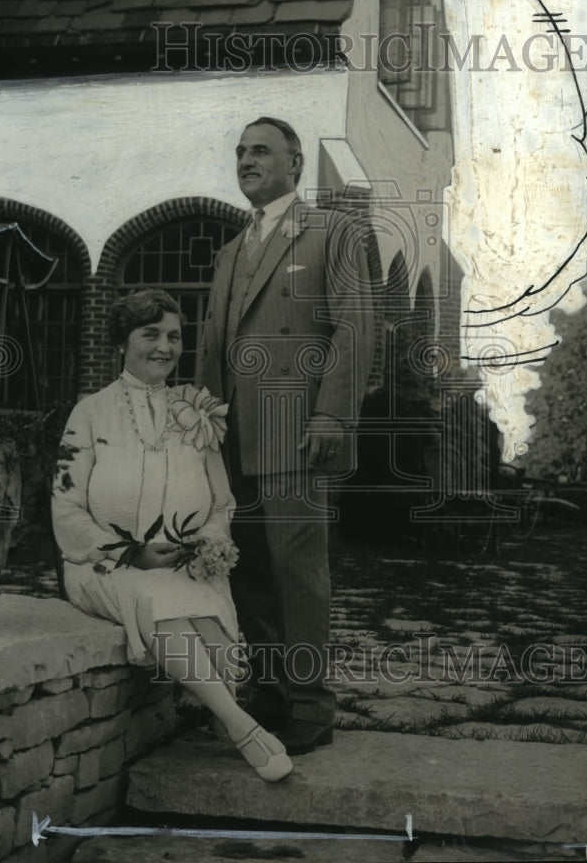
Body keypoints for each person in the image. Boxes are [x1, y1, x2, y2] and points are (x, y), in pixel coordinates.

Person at [51, 287, 293, 782]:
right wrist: (132, 552)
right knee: (154, 596)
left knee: (224, 656)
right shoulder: (90, 413)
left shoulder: (195, 414)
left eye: (173, 336)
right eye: (150, 334)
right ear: (122, 342)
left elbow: (221, 502)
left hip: (183, 565)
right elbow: (66, 506)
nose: (164, 346)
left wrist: (208, 542)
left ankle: (219, 707)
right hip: (103, 566)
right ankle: (242, 727)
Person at [197, 117, 374, 755]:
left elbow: (355, 325)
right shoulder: (228, 252)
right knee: (247, 574)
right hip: (231, 439)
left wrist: (332, 414)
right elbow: (210, 351)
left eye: (261, 151)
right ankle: (268, 694)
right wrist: (199, 427)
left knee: (299, 572)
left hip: (297, 432)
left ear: (295, 165)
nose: (246, 160)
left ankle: (310, 707)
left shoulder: (332, 231)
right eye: (240, 151)